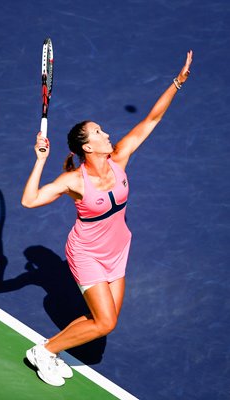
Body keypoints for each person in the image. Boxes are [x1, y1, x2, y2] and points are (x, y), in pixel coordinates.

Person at [22, 50, 193, 386]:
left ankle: (50, 349)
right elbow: (30, 201)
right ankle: (42, 352)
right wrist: (40, 159)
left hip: (118, 249)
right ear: (87, 147)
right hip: (86, 253)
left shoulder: (120, 158)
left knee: (103, 316)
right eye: (98, 132)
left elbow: (151, 120)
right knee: (105, 324)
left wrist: (177, 83)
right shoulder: (73, 181)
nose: (106, 134)